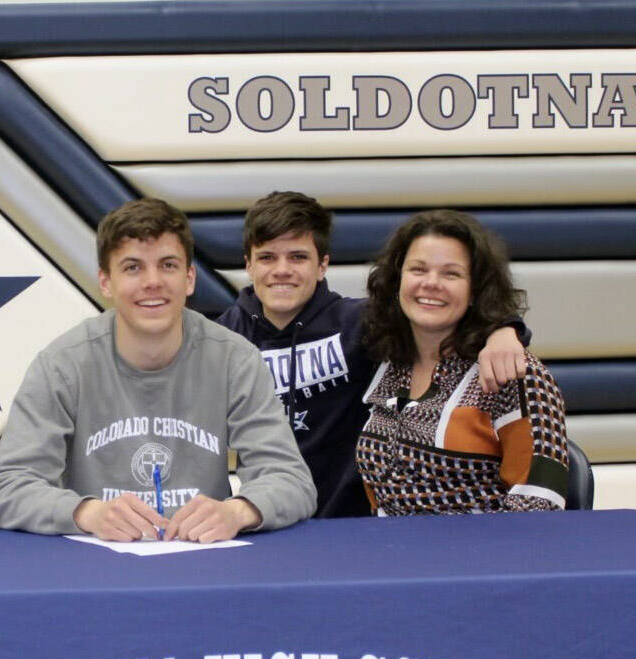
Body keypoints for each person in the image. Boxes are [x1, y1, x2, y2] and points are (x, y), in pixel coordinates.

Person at [0, 198, 316, 543]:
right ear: (106, 282)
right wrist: (87, 513)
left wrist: (237, 511)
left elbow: (291, 480)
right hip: (96, 564)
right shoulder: (63, 364)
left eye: (168, 265)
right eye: (132, 268)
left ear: (189, 279)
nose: (152, 282)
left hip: (204, 561)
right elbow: (4, 489)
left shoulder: (235, 360)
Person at [217, 191, 529, 518]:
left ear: (323, 265)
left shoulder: (361, 323)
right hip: (268, 517)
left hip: (352, 524)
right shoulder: (223, 338)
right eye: (267, 257)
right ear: (248, 264)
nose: (282, 270)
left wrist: (505, 330)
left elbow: (436, 308)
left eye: (298, 257)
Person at [357, 209, 568, 514]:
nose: (431, 283)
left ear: (475, 291)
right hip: (390, 553)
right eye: (418, 269)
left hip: (485, 558)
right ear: (397, 280)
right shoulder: (389, 364)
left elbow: (540, 507)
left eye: (451, 274)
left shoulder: (513, 373)